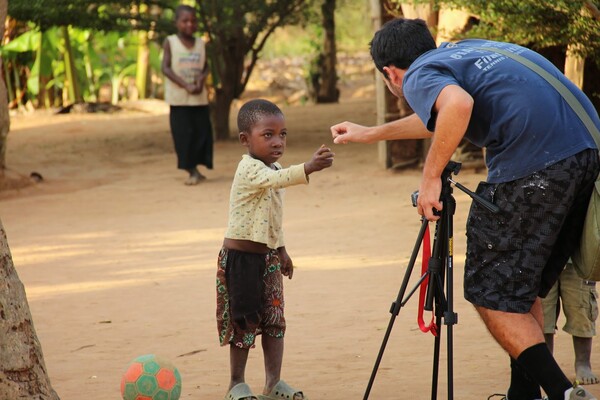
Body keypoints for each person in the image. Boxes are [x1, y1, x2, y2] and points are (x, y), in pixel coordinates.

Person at [330, 18, 600, 400]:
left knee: (491, 291)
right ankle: (523, 394)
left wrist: (430, 176)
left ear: (390, 73)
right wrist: (370, 132)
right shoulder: (465, 51)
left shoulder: (418, 73)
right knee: (520, 288)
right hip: (584, 155)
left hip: (538, 166)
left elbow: (456, 104)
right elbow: (444, 116)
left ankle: (563, 393)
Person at [216, 99, 334, 400]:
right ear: (245, 139)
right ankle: (236, 384)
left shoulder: (276, 166)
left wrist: (281, 251)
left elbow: (274, 216)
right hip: (241, 259)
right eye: (267, 134)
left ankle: (273, 383)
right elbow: (274, 180)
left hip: (267, 257)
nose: (277, 141)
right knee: (245, 320)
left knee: (274, 320)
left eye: (282, 134)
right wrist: (308, 167)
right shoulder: (249, 169)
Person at [161, 4, 213, 185]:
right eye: (185, 21)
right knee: (184, 136)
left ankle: (197, 168)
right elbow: (165, 67)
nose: (189, 24)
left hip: (199, 98)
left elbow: (206, 67)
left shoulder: (201, 43)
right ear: (176, 23)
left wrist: (200, 81)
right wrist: (185, 85)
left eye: (193, 21)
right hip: (179, 100)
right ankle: (191, 170)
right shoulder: (170, 42)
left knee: (201, 134)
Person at [542, 261, 599, 385]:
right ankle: (545, 366)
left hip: (577, 258)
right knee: (542, 315)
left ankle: (583, 363)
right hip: (543, 255)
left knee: (581, 309)